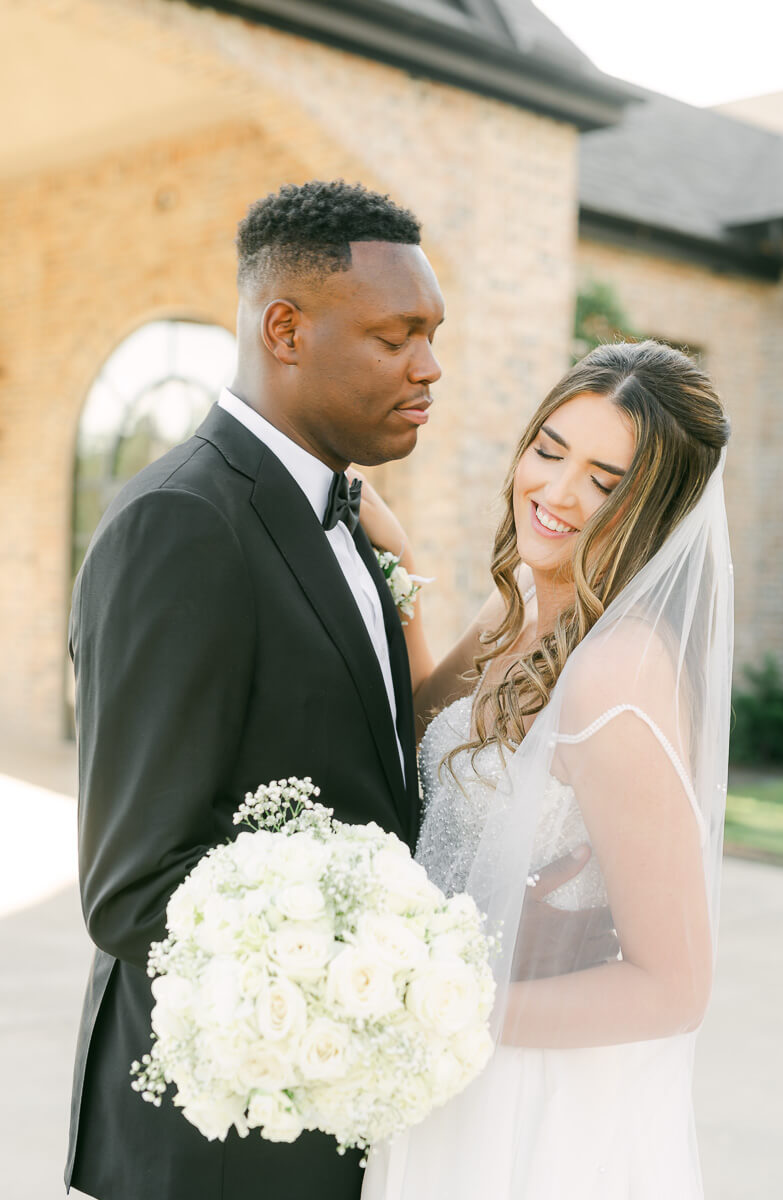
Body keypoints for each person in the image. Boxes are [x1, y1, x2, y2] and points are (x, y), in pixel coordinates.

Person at [65, 180, 604, 1200]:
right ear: (286, 329)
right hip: (217, 1147)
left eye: (433, 334)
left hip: (344, 1123)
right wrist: (407, 974)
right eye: (399, 335)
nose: (431, 366)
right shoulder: (180, 527)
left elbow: (371, 761)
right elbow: (137, 888)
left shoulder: (345, 511)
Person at [358, 339, 733, 1199]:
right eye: (550, 451)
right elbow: (417, 729)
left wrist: (445, 1007)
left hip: (530, 1108)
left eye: (605, 482)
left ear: (656, 511)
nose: (557, 493)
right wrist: (399, 561)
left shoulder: (617, 675)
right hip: (442, 1076)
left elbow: (673, 988)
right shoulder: (524, 597)